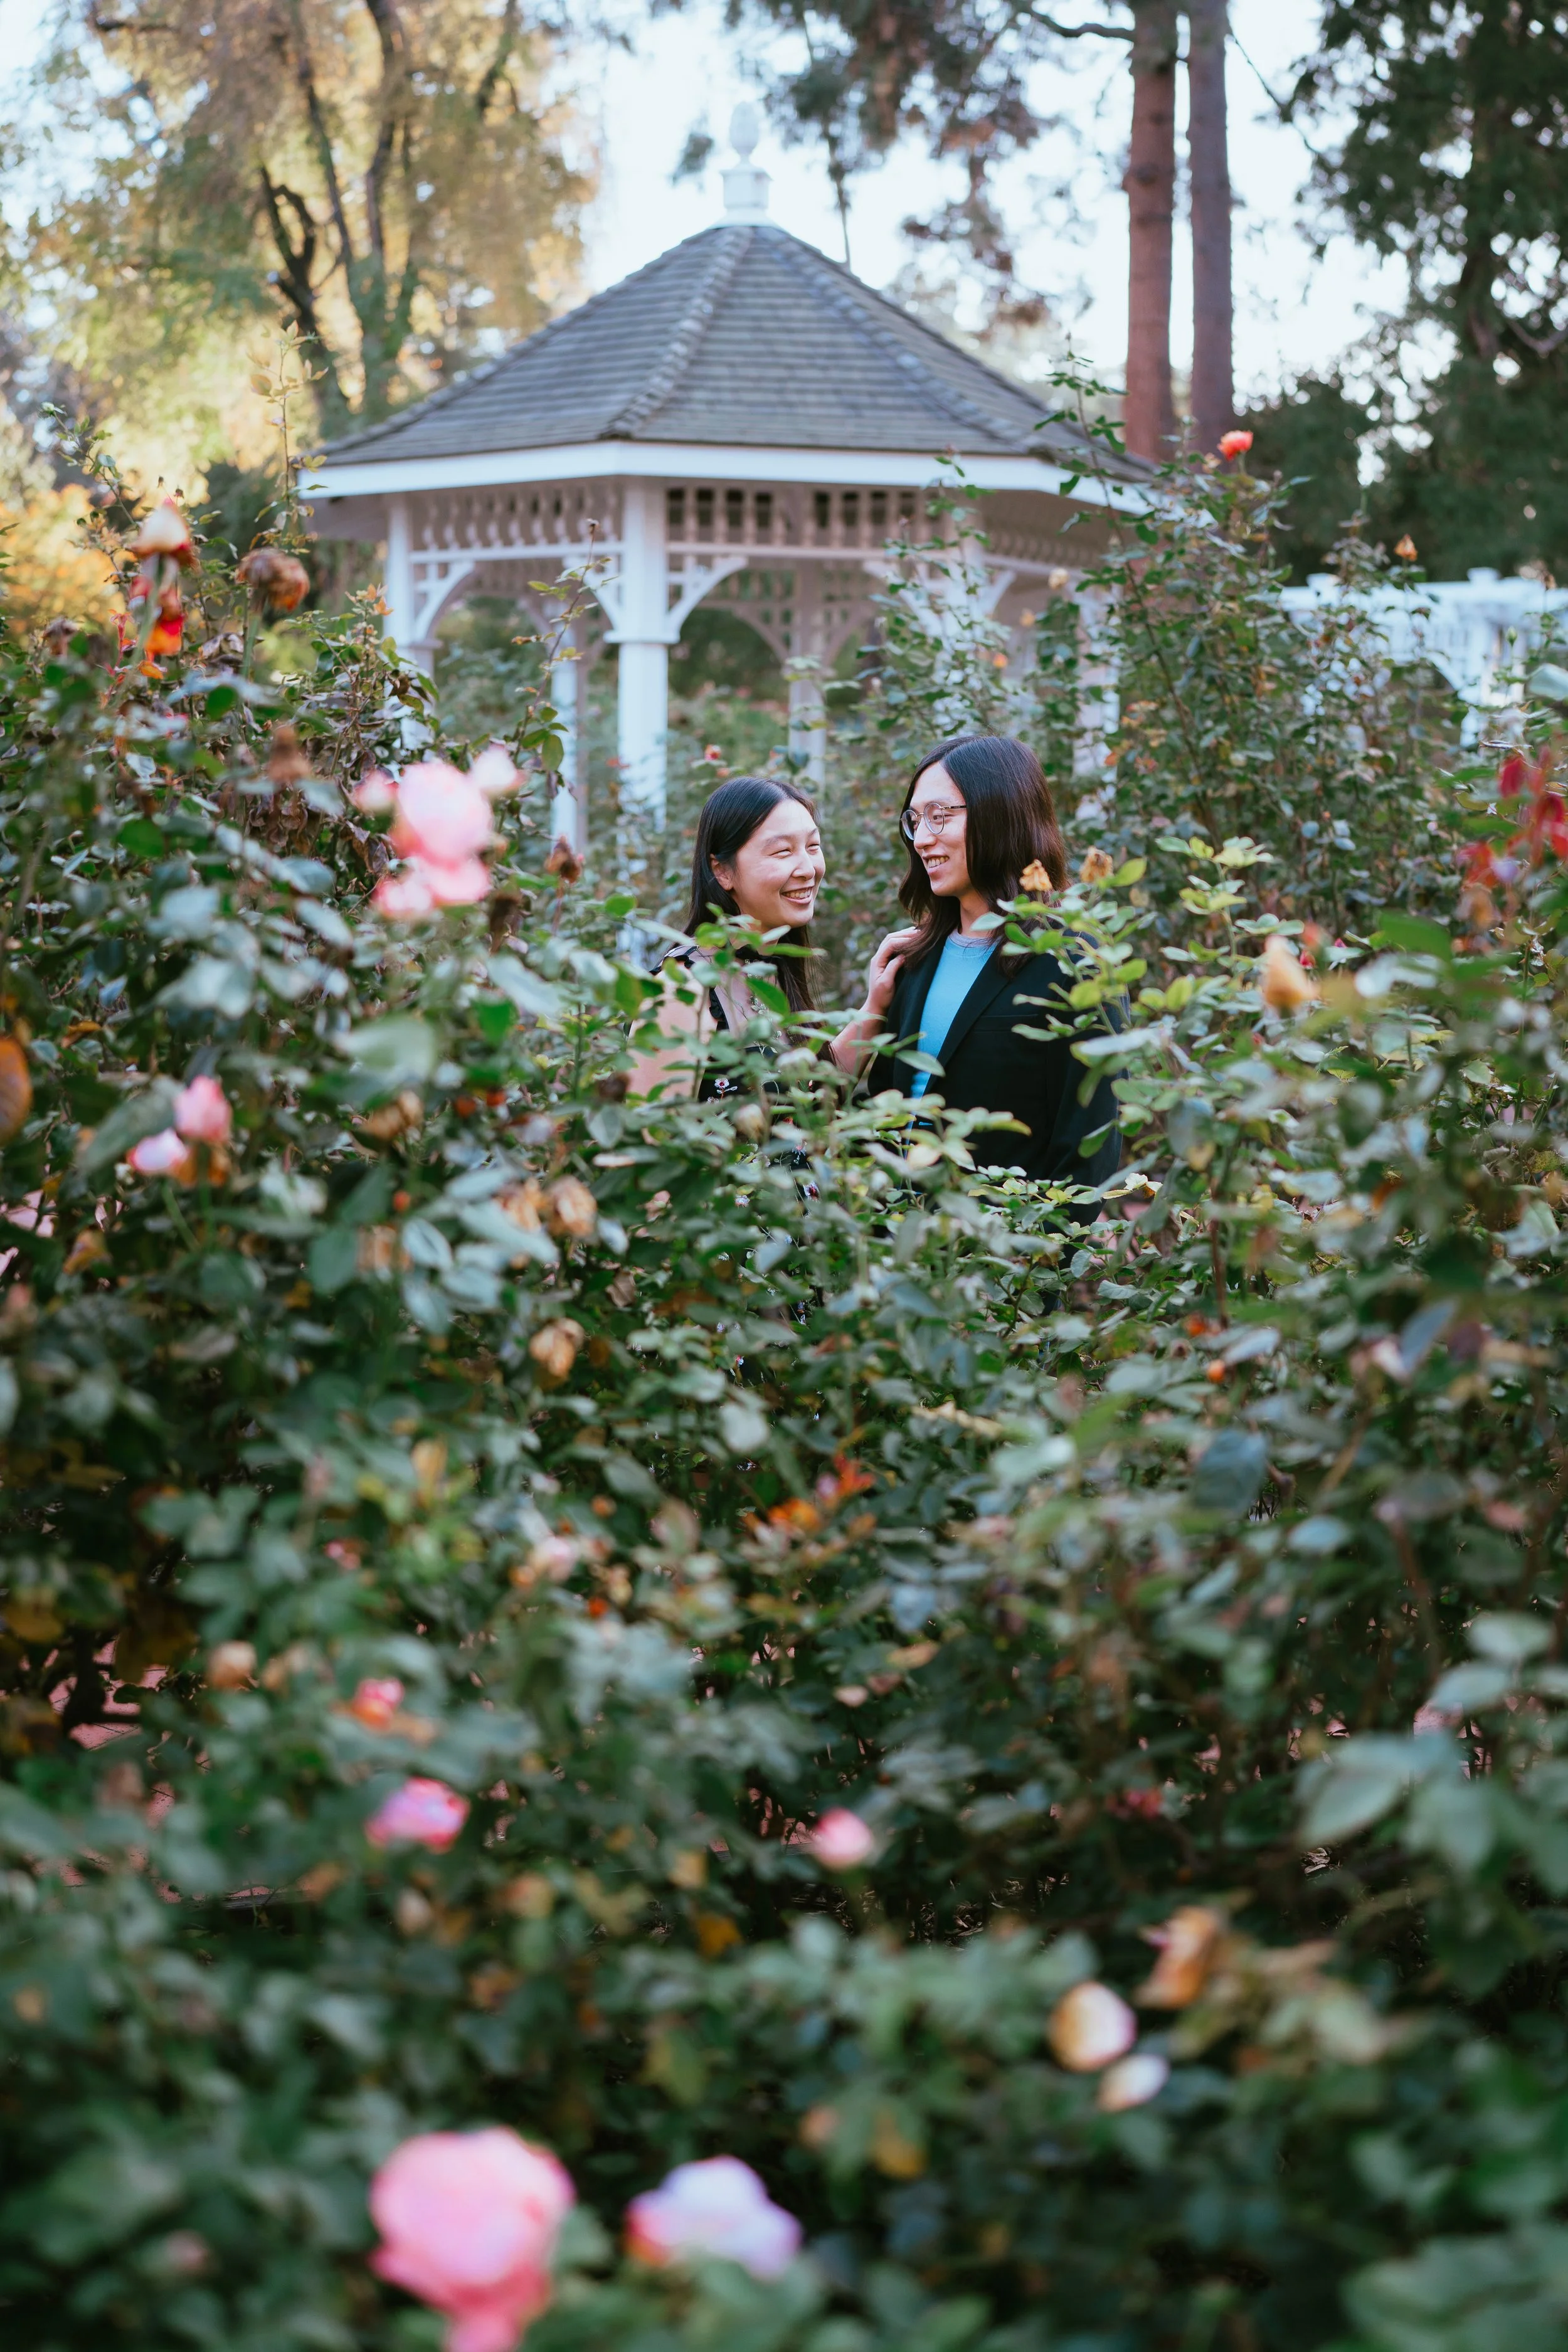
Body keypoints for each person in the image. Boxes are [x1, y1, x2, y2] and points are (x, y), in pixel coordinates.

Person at [843, 733, 1121, 1195]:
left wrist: (1045, 1259)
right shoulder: (913, 958)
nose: (923, 840)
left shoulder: (1074, 959)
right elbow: (887, 1112)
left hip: (1003, 1253)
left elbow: (1090, 1143)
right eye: (915, 820)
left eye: (940, 817)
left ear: (1001, 813)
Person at [628, 775, 827, 1101]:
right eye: (782, 851)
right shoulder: (682, 992)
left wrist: (877, 1003)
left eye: (813, 846)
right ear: (722, 871)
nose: (808, 868)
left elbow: (806, 1103)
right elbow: (647, 1142)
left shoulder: (771, 967)